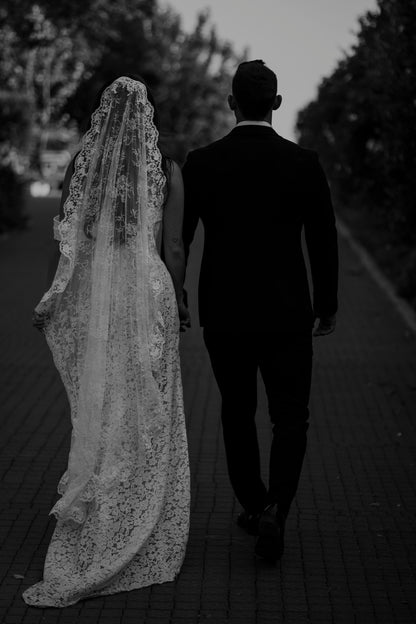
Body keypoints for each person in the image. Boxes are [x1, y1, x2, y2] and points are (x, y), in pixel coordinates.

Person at [24, 76, 190, 607]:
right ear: (147, 118)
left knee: (104, 405)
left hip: (101, 291)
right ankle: (141, 515)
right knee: (148, 408)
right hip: (148, 291)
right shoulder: (168, 170)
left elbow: (68, 240)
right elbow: (175, 246)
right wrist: (180, 299)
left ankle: (101, 510)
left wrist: (53, 295)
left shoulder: (83, 165)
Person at [182, 60, 338, 563]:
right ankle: (276, 507)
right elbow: (323, 240)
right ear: (276, 103)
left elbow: (179, 240)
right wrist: (326, 305)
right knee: (291, 415)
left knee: (237, 410)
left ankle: (254, 503)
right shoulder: (303, 163)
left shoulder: (202, 163)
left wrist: (176, 295)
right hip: (287, 311)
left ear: (232, 103)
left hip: (223, 311)